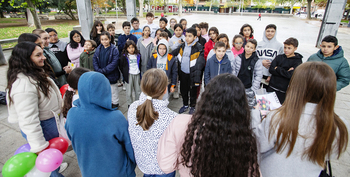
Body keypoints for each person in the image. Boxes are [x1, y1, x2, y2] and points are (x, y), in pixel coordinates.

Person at [252, 62, 349, 177]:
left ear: (296, 86)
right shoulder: (339, 125)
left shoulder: (277, 118)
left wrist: (256, 115)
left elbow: (258, 145)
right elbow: (330, 154)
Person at [157, 73, 260, 177]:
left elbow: (166, 165)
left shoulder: (180, 123)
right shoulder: (244, 138)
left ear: (206, 97)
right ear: (242, 107)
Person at [6, 42, 65, 177]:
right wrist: (40, 147)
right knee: (46, 162)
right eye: (38, 55)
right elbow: (28, 120)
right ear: (25, 59)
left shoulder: (34, 73)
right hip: (43, 126)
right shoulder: (23, 85)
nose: (43, 57)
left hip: (49, 122)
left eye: (42, 53)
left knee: (52, 158)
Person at [65, 71, 136, 177]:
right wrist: (131, 165)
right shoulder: (115, 117)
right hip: (118, 172)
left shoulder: (71, 115)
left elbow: (74, 141)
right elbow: (129, 146)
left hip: (88, 171)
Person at [128, 69, 177, 177]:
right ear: (165, 90)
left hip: (144, 165)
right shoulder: (172, 118)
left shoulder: (133, 108)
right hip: (164, 168)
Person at [171, 27, 206, 114]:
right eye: (186, 36)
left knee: (193, 92)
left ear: (195, 37)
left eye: (190, 36)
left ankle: (192, 106)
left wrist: (197, 78)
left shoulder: (199, 48)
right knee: (183, 90)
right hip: (183, 73)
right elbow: (173, 53)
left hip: (193, 74)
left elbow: (200, 64)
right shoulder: (182, 45)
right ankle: (185, 104)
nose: (187, 38)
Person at [268, 37, 303, 104]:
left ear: (295, 48)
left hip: (284, 90)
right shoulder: (279, 57)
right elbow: (271, 69)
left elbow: (290, 75)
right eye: (285, 47)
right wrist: (286, 71)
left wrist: (278, 68)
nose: (286, 50)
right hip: (272, 87)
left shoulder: (298, 61)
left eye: (289, 48)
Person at [93, 31, 120, 108]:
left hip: (111, 73)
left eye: (106, 39)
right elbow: (95, 59)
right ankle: (106, 102)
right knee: (104, 88)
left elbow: (114, 62)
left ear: (109, 39)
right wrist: (97, 69)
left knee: (113, 89)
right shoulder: (98, 48)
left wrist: (104, 70)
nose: (104, 41)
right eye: (102, 40)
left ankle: (115, 102)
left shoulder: (114, 49)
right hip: (101, 72)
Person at [234, 39, 263, 108]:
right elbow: (234, 71)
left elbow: (258, 76)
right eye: (247, 46)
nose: (249, 49)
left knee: (248, 107)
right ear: (244, 46)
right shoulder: (238, 57)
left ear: (254, 49)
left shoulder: (257, 61)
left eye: (251, 48)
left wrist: (253, 89)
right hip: (237, 87)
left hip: (249, 88)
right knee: (236, 105)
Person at [256, 24, 284, 88]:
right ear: (265, 32)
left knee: (268, 95)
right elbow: (254, 58)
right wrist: (261, 62)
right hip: (258, 73)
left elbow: (280, 62)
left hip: (271, 75)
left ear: (275, 32)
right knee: (255, 93)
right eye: (268, 31)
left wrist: (271, 75)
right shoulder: (258, 44)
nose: (270, 33)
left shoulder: (280, 46)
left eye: (272, 31)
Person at [119, 40, 142, 107]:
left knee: (138, 91)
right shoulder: (124, 56)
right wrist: (124, 73)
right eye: (129, 48)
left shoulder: (138, 55)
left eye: (132, 47)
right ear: (126, 48)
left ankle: (138, 103)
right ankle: (130, 104)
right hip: (129, 75)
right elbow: (121, 65)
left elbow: (140, 64)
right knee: (129, 92)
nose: (131, 49)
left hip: (137, 74)